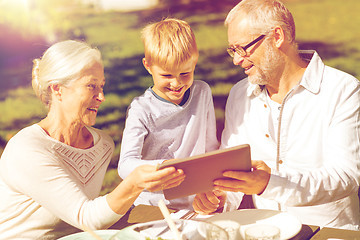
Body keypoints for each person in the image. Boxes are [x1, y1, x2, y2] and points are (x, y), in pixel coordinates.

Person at [193, 0, 360, 230]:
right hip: (266, 231)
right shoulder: (239, 94)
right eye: (232, 50)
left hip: (328, 232)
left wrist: (271, 183)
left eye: (242, 48)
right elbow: (232, 168)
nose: (236, 59)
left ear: (277, 37)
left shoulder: (342, 90)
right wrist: (220, 198)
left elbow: (345, 177)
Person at [0, 40, 185, 239]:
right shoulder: (28, 150)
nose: (101, 96)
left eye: (101, 86)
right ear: (57, 89)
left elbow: (92, 220)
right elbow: (86, 217)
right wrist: (134, 184)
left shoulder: (102, 146)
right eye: (91, 86)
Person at [118, 18, 219, 210]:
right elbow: (125, 166)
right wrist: (164, 166)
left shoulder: (202, 92)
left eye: (185, 73)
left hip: (194, 202)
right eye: (166, 75)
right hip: (153, 205)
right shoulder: (141, 109)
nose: (176, 83)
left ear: (194, 63)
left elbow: (210, 147)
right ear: (148, 66)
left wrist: (209, 189)